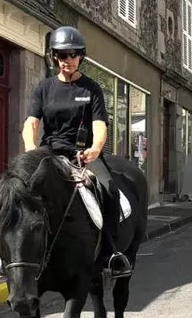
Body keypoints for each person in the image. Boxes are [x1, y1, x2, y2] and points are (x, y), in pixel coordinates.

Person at [23, 25, 131, 277]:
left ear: (80, 56)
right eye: (61, 55)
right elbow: (31, 122)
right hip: (49, 152)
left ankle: (111, 252)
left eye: (72, 55)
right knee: (20, 191)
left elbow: (100, 125)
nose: (67, 60)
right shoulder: (44, 88)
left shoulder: (91, 89)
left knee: (109, 189)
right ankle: (23, 252)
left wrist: (95, 148)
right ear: (55, 57)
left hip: (83, 153)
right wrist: (30, 148)